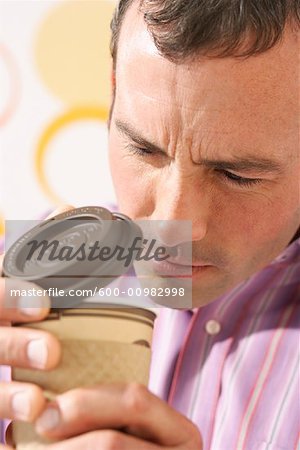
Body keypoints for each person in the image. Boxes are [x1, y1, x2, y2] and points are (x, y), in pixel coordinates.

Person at [0, 0, 299, 448]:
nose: (171, 223)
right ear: (114, 87)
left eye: (237, 175)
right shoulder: (26, 270)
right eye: (143, 149)